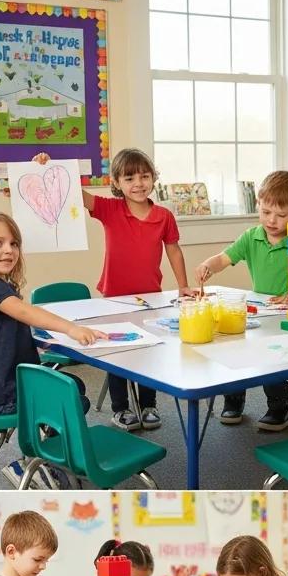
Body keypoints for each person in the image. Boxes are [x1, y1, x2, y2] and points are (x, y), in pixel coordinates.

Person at [77, 147, 196, 432]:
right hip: (114, 298)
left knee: (147, 353)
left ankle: (148, 405)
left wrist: (183, 286)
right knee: (118, 353)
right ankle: (121, 408)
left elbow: (174, 250)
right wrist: (45, 167)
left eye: (144, 176)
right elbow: (73, 194)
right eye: (129, 178)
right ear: (116, 183)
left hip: (150, 297)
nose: (138, 183)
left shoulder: (164, 216)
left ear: (154, 178)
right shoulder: (109, 209)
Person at [0, 210, 102, 419]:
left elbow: (10, 325)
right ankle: (43, 446)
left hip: (5, 386)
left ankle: (44, 435)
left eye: (14, 243)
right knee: (75, 399)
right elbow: (24, 311)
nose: (9, 250)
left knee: (76, 384)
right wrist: (71, 328)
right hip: (9, 395)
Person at [196, 170, 288, 430]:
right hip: (262, 311)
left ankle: (279, 405)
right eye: (266, 212)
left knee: (269, 353)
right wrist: (209, 264)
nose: (272, 220)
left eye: (282, 215)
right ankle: (233, 399)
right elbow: (224, 258)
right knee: (233, 344)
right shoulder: (251, 236)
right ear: (258, 206)